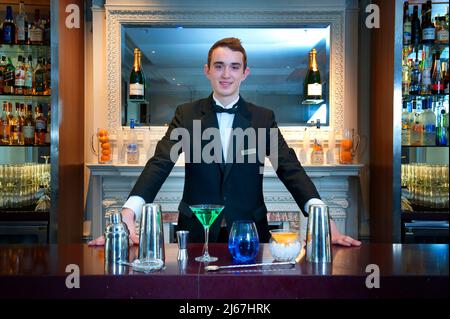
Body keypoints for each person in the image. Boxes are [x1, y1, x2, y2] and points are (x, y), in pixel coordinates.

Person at [89, 37, 361, 247]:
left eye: (234, 67)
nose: (226, 74)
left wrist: (320, 216)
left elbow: (290, 168)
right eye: (219, 66)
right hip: (195, 233)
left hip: (248, 231)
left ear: (245, 73)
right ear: (207, 70)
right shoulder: (186, 114)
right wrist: (128, 213)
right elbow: (160, 163)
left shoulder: (263, 118)